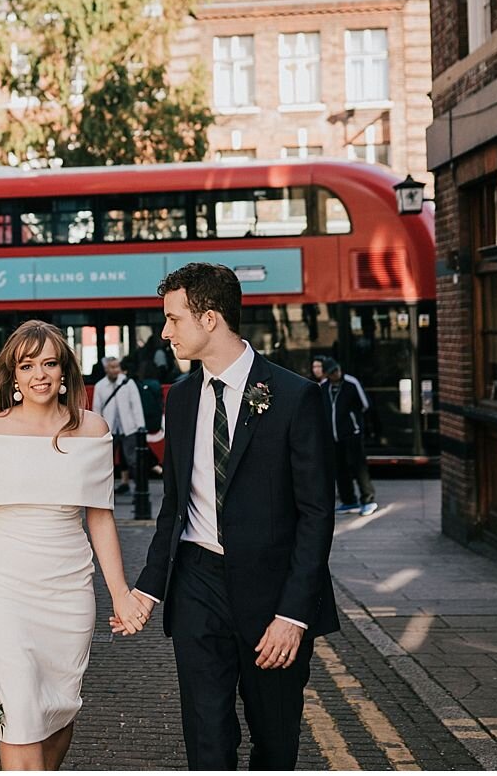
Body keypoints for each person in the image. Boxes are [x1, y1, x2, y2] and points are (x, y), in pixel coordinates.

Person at [126, 262, 338, 771]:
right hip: (197, 585)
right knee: (207, 741)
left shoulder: (293, 397)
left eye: (174, 319)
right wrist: (147, 588)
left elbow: (317, 514)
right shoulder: (177, 401)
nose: (165, 331)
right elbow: (174, 508)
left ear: (210, 318)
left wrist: (293, 615)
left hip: (273, 595)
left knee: (275, 742)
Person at [0, 320, 146, 770]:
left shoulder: (93, 430)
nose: (39, 374)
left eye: (49, 363)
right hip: (1, 587)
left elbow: (100, 518)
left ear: (65, 371)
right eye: (28, 365)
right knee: (19, 709)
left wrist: (121, 593)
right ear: (15, 375)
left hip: (68, 590)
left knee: (57, 711)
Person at [321, 357, 377, 517]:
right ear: (327, 375)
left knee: (358, 466)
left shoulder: (351, 383)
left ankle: (368, 499)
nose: (336, 374)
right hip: (333, 435)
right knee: (340, 468)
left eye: (337, 370)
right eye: (332, 373)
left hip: (351, 432)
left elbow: (365, 404)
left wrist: (354, 422)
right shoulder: (323, 388)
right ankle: (349, 500)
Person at [92, 355, 145, 495]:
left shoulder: (128, 383)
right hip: (109, 429)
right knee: (106, 461)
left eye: (117, 367)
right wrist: (97, 430)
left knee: (132, 460)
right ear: (106, 369)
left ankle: (140, 491)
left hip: (128, 428)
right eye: (112, 367)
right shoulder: (100, 386)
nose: (116, 370)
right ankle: (105, 492)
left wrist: (140, 426)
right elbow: (96, 409)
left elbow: (136, 405)